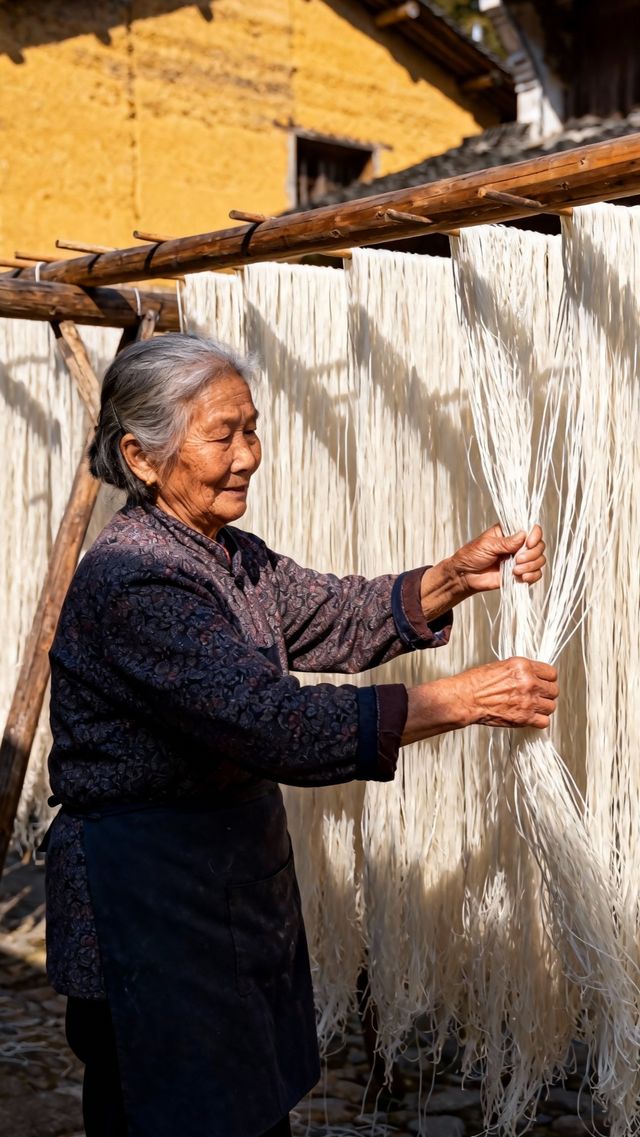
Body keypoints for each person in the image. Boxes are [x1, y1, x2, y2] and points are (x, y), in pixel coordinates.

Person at [44, 333, 557, 1137]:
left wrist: (456, 576)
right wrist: (462, 700)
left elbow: (338, 613)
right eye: (224, 434)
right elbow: (274, 723)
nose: (250, 453)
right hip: (147, 906)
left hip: (224, 891)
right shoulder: (135, 579)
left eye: (252, 427)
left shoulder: (225, 553)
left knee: (247, 1113)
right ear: (142, 459)